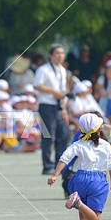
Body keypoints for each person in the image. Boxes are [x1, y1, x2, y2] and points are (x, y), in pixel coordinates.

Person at [47, 113, 111, 220]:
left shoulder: (78, 143)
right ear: (99, 130)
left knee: (83, 214)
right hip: (97, 181)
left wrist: (55, 175)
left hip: (78, 179)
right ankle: (78, 203)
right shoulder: (105, 145)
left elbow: (64, 159)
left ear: (80, 130)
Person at [33, 43, 69, 175]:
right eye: (57, 53)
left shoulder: (63, 70)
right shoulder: (43, 69)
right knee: (48, 136)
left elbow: (63, 89)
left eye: (62, 53)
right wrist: (53, 91)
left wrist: (64, 108)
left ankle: (58, 164)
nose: (60, 56)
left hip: (59, 105)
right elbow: (37, 85)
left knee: (63, 135)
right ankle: (47, 165)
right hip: (46, 105)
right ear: (51, 55)